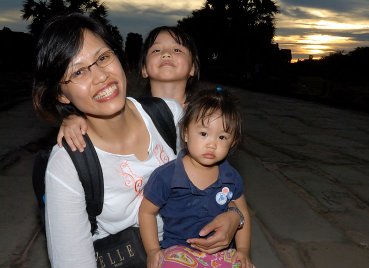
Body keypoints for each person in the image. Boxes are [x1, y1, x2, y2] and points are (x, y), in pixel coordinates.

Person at [33, 13, 241, 267]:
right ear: (61, 94)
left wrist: (234, 215)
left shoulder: (169, 115)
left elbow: (216, 180)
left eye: (103, 57)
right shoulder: (67, 166)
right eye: (78, 72)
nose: (100, 76)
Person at [139, 88, 253, 268]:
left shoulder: (231, 177)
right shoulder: (166, 176)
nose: (212, 144)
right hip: (178, 252)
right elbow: (147, 212)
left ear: (233, 142)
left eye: (222, 137)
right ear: (185, 133)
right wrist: (153, 250)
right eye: (203, 134)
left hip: (220, 252)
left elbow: (243, 213)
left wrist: (244, 251)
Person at [57, 25, 200, 152]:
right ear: (144, 68)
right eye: (156, 50)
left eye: (177, 49)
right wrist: (73, 118)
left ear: (193, 67)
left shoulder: (207, 113)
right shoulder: (130, 111)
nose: (166, 53)